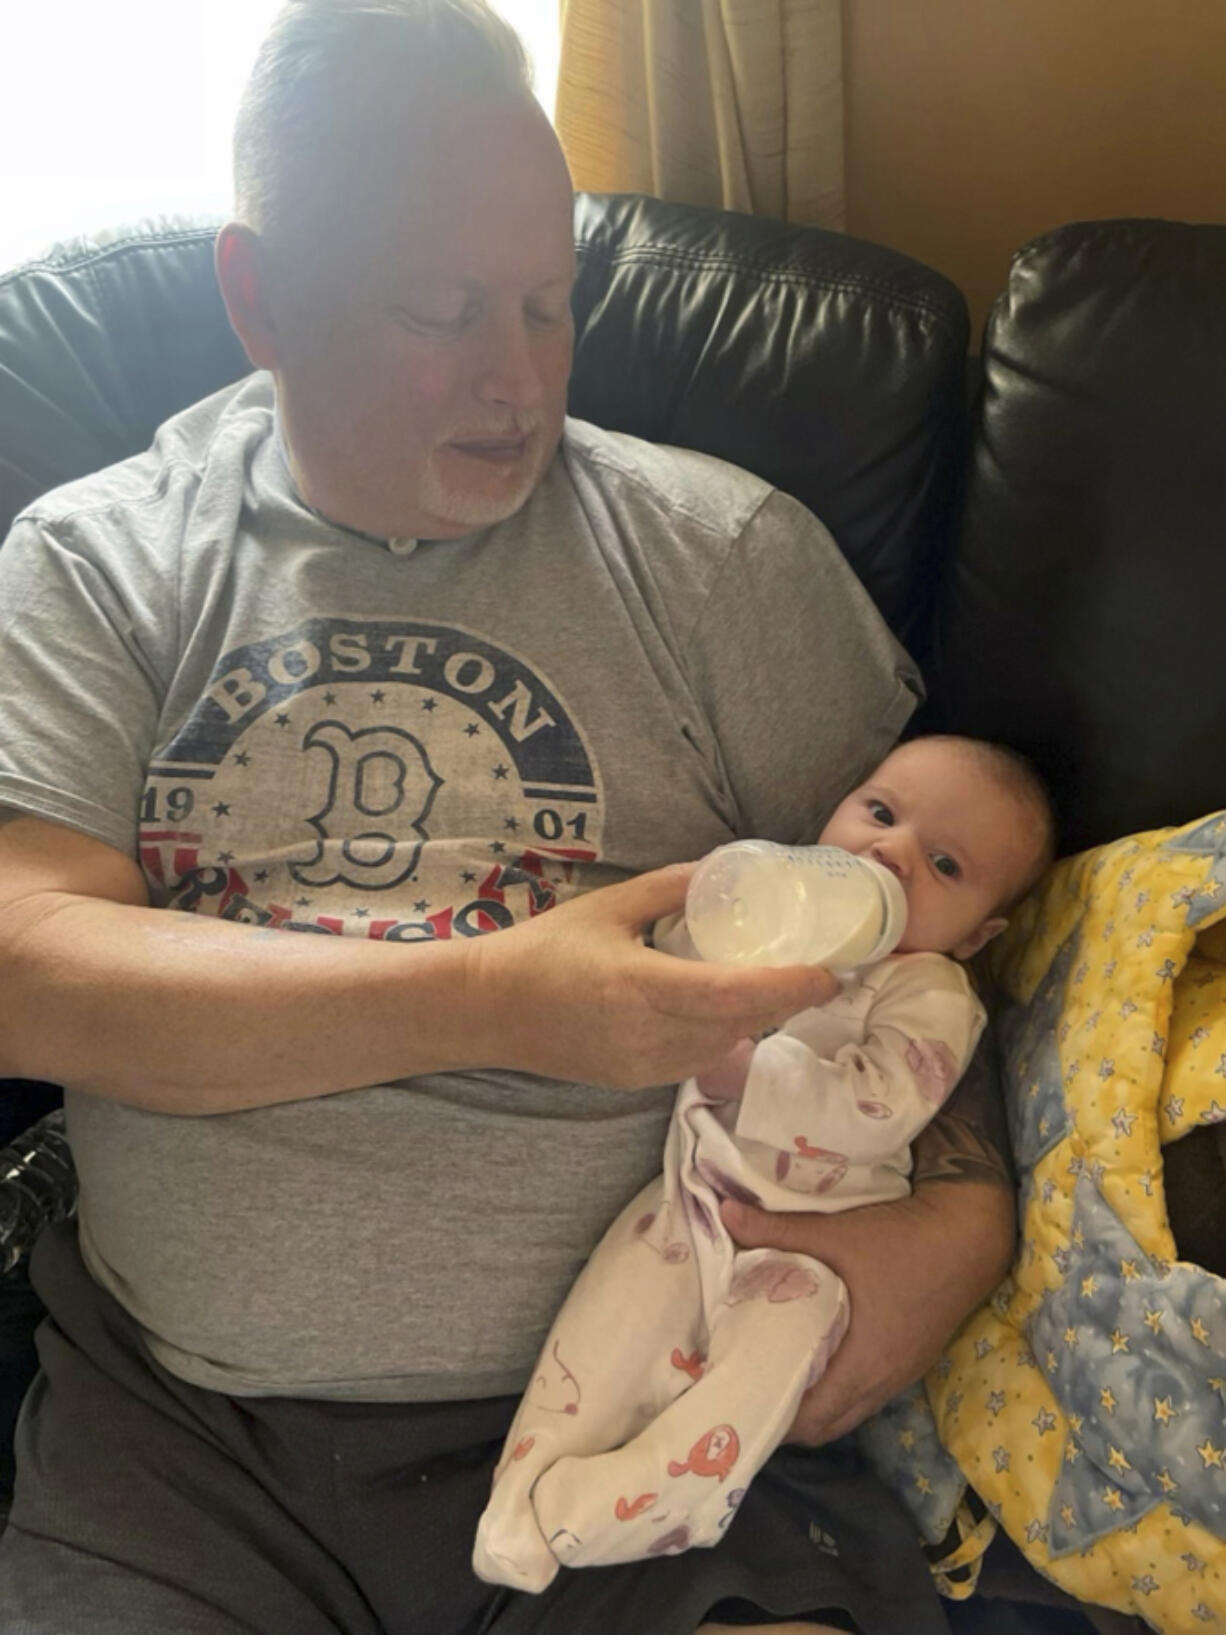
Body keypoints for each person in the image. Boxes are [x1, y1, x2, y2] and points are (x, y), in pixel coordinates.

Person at [0, 4, 1016, 1633]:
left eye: (550, 302)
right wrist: (494, 1001)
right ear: (257, 297)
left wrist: (960, 1226)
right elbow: (26, 970)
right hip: (191, 1453)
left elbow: (938, 927)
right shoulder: (99, 570)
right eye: (441, 310)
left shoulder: (719, 564)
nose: (519, 376)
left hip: (663, 1423)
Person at [474, 736, 1054, 1592]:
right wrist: (706, 917)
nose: (890, 853)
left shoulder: (929, 991)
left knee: (757, 1376)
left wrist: (750, 1071)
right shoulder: (783, 927)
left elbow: (881, 1105)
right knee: (597, 1342)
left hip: (813, 1254)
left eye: (941, 863)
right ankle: (520, 1499)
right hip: (687, 1202)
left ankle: (637, 1504)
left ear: (978, 935)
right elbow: (667, 974)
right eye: (881, 813)